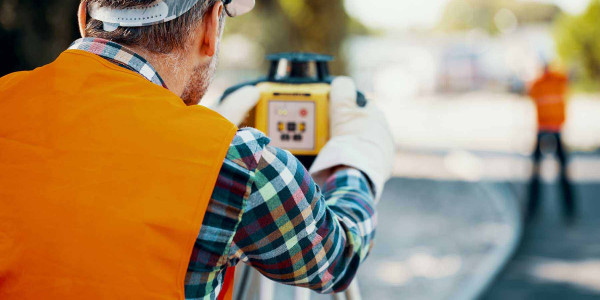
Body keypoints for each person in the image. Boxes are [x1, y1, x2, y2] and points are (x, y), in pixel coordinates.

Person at [0, 1, 394, 300]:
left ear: (85, 13)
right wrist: (357, 163)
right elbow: (335, 258)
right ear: (210, 25)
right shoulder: (240, 164)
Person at [527, 65, 575, 221]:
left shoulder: (554, 80)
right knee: (536, 170)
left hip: (554, 129)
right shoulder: (540, 83)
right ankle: (533, 207)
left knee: (561, 170)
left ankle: (569, 208)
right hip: (544, 129)